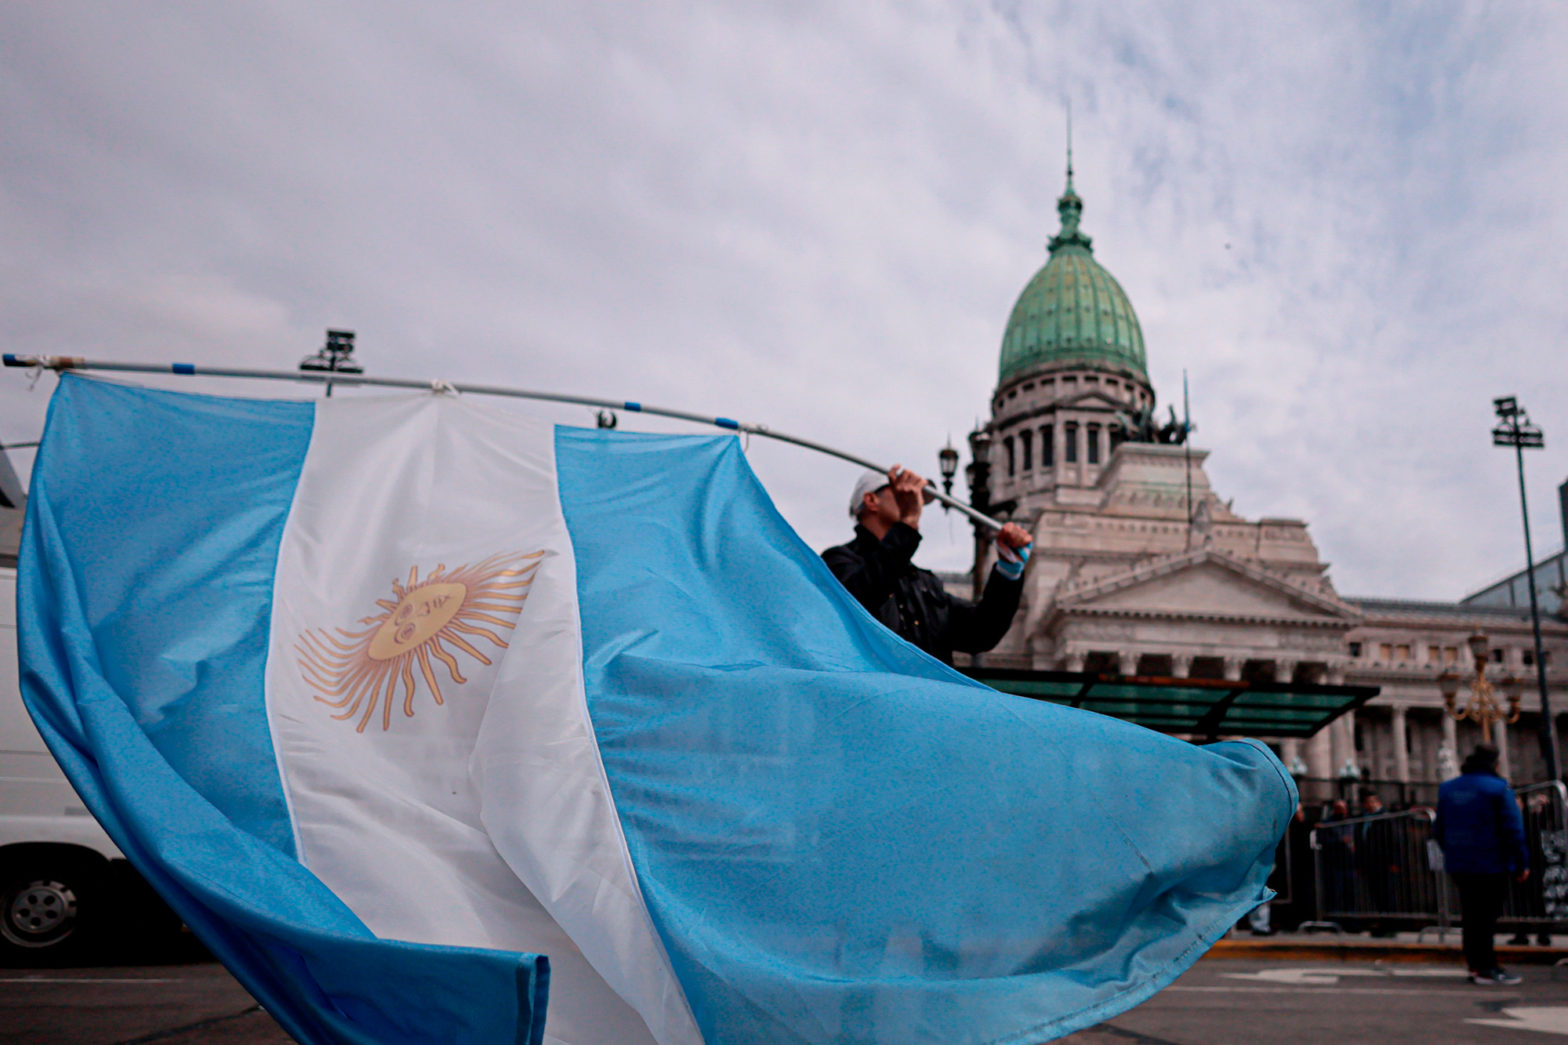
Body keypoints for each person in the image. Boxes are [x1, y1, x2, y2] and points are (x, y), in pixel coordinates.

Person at [823, 465, 1032, 665]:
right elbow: (863, 594)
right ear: (871, 500)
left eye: (915, 494)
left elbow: (981, 633)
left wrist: (1008, 570)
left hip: (925, 699)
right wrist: (908, 523)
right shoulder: (839, 561)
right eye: (901, 491)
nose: (914, 500)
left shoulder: (924, 583)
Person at [1434, 745, 1530, 985]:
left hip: (1460, 863)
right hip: (1491, 862)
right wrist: (1521, 862)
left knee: (1471, 915)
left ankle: (1475, 964)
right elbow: (1513, 829)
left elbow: (1438, 829)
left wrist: (1454, 853)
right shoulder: (1498, 789)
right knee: (1486, 916)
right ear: (1494, 764)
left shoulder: (1448, 788)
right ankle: (1487, 967)